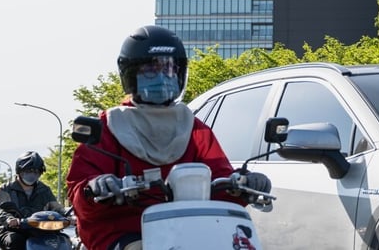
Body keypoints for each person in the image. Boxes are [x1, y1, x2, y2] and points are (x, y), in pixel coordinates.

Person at [65, 25, 270, 250]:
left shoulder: (193, 127)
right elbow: (79, 189)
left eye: (170, 70)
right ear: (130, 75)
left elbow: (219, 176)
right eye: (150, 70)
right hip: (126, 231)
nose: (162, 78)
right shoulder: (109, 127)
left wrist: (243, 184)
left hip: (191, 231)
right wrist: (94, 187)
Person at [0, 151, 65, 249]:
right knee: (16, 241)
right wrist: (9, 219)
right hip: (13, 230)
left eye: (36, 172)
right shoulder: (6, 188)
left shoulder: (44, 189)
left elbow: (57, 208)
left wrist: (71, 216)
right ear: (19, 171)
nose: (32, 175)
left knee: (63, 240)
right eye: (28, 171)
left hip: (41, 230)